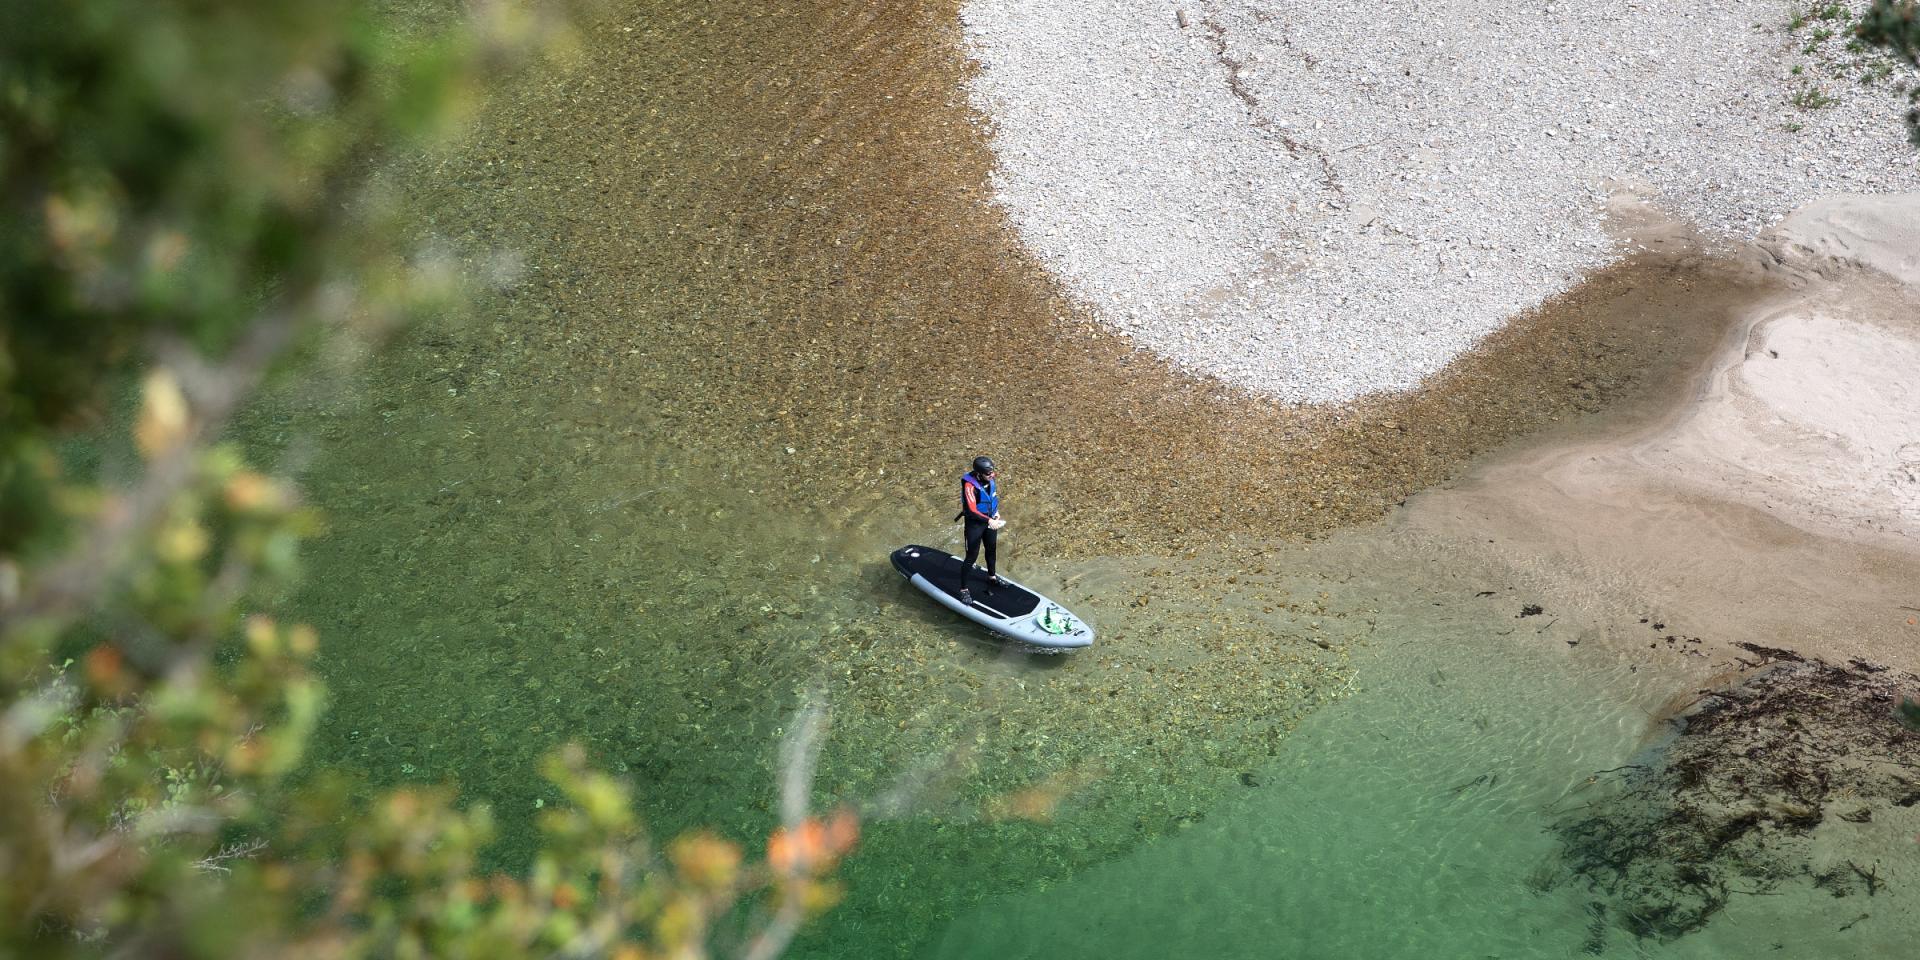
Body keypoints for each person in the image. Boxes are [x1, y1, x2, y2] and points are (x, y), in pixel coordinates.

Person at [954, 455, 1006, 603]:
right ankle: (963, 589)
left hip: (990, 521)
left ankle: (992, 577)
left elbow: (992, 499)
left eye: (992, 472)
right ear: (978, 474)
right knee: (972, 556)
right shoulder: (970, 486)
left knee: (991, 549)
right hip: (975, 524)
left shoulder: (989, 478)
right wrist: (989, 520)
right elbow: (971, 509)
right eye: (989, 474)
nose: (992, 475)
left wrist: (995, 513)